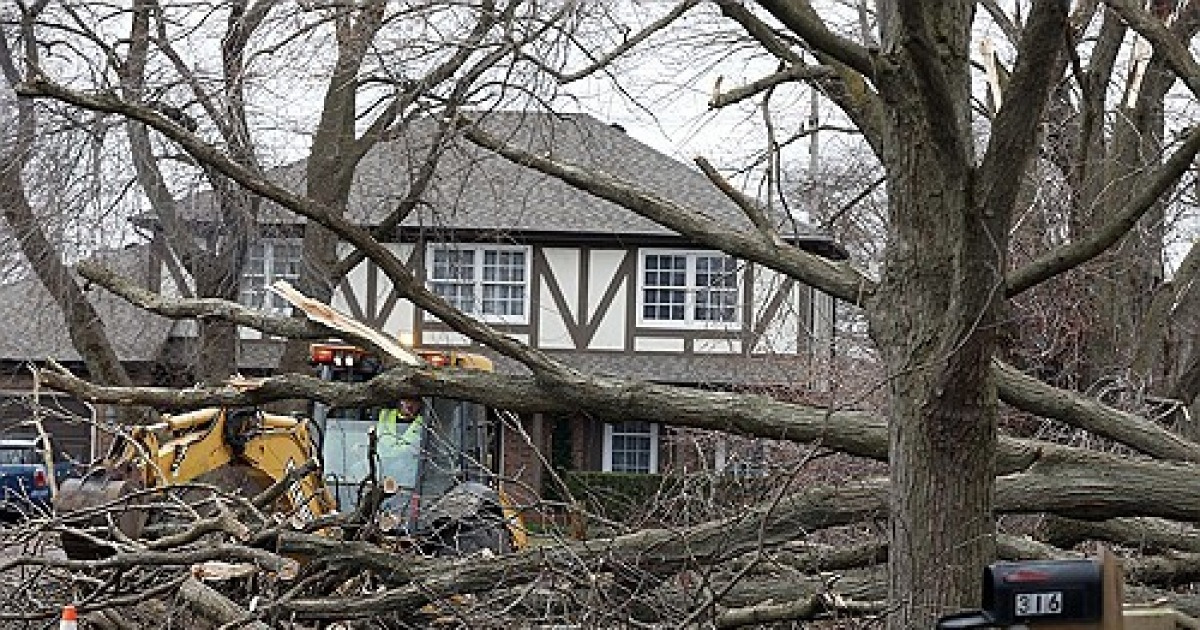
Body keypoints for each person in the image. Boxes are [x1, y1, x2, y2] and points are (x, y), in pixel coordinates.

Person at [375, 397, 424, 488]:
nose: (410, 404)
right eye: (406, 399)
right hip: (380, 466)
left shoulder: (424, 422)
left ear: (420, 404)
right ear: (400, 400)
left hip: (408, 475)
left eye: (414, 401)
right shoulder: (385, 415)